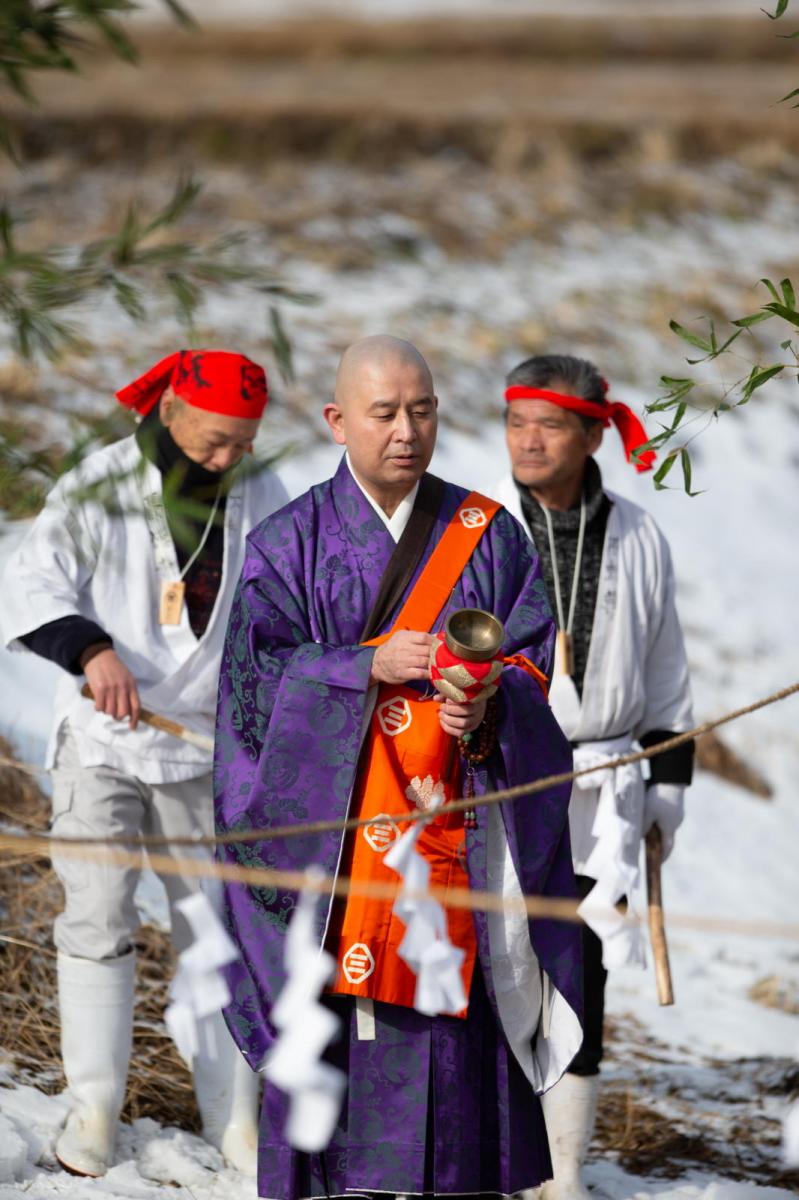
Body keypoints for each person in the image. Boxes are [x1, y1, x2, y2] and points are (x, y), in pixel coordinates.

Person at [214, 334, 585, 1200]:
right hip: (339, 858)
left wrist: (487, 708)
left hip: (452, 841)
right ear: (337, 420)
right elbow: (249, 690)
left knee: (454, 1066)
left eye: (422, 410)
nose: (406, 430)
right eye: (383, 413)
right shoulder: (287, 543)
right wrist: (357, 668)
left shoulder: (486, 537)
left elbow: (530, 665)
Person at [1, 349, 288, 1179]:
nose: (228, 458)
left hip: (204, 743)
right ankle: (93, 1106)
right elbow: (32, 582)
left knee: (217, 927)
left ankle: (232, 1118)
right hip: (105, 737)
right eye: (214, 441)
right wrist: (90, 651)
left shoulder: (259, 491)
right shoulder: (101, 482)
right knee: (97, 915)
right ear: (170, 413)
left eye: (243, 443)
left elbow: (282, 609)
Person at [492, 354, 694, 1199]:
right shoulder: (481, 524)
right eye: (515, 422)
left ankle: (564, 1172)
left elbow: (666, 673)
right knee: (494, 961)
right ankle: (494, 1159)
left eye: (547, 425)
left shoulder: (641, 535)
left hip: (605, 777)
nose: (526, 441)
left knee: (578, 966)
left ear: (588, 434)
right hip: (497, 773)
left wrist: (666, 789)